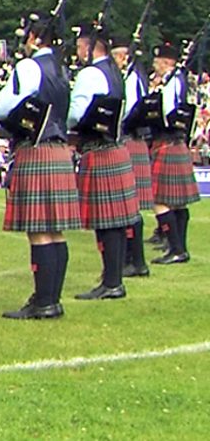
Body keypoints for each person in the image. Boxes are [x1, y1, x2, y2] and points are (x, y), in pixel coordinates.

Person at [0, 15, 80, 320]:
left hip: (36, 150)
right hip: (58, 148)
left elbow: (7, 104)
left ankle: (43, 302)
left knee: (39, 232)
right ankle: (52, 299)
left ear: (33, 37)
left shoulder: (29, 66)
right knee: (55, 231)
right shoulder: (61, 69)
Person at [68, 25, 140, 300]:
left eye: (79, 47)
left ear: (90, 47)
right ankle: (114, 278)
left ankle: (111, 283)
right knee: (116, 221)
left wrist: (59, 122)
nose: (78, 53)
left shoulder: (90, 73)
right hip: (115, 147)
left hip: (98, 149)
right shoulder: (115, 72)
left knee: (106, 221)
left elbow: (76, 114)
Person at [146, 42, 200, 265]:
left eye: (157, 62)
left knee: (160, 201)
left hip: (166, 140)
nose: (154, 65)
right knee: (178, 203)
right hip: (176, 143)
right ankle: (178, 246)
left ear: (166, 62)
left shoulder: (171, 81)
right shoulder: (179, 78)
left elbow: (167, 112)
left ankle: (176, 247)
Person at [111, 37, 153, 277]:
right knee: (128, 205)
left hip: (130, 137)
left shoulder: (132, 77)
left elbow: (131, 107)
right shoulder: (126, 77)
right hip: (128, 139)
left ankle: (136, 261)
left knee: (130, 205)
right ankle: (132, 258)